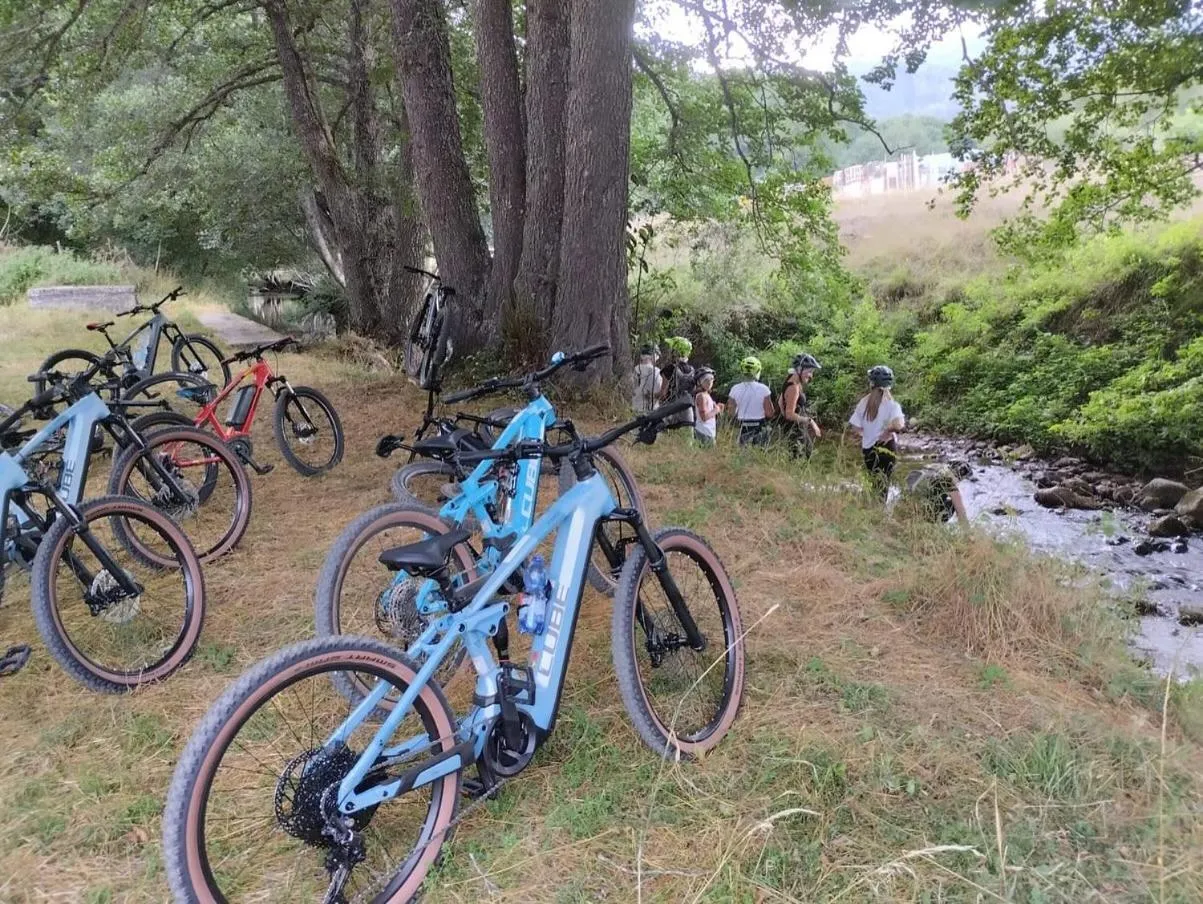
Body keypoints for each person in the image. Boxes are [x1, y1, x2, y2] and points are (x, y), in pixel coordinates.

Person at [848, 365, 905, 501]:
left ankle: (873, 513)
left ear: (871, 383)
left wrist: (867, 435)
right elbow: (899, 425)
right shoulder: (892, 404)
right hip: (887, 448)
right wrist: (887, 431)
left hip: (868, 450)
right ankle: (880, 515)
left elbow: (855, 428)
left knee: (874, 485)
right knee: (884, 486)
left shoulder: (863, 403)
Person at [777, 353, 823, 459]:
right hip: (796, 430)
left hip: (794, 428)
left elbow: (780, 401)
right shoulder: (794, 387)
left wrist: (786, 419)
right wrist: (811, 421)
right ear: (799, 369)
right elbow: (789, 414)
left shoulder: (791, 381)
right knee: (802, 458)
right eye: (810, 371)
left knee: (802, 455)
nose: (811, 376)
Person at [902, 460, 971, 525]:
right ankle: (927, 523)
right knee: (951, 504)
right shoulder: (949, 482)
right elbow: (961, 514)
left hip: (907, 499)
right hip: (922, 510)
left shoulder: (931, 468)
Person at [727, 356, 774, 446]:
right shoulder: (764, 389)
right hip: (759, 426)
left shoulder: (734, 389)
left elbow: (731, 413)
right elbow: (770, 413)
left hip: (741, 426)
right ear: (757, 371)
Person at [660, 336, 697, 428]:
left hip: (671, 408)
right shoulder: (693, 371)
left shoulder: (669, 369)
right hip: (687, 409)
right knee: (686, 438)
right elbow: (694, 391)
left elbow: (663, 393)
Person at [692, 367, 722, 446]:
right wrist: (716, 410)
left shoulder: (706, 395)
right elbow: (704, 417)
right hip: (704, 432)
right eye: (706, 380)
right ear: (699, 382)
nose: (709, 382)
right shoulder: (701, 396)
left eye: (711, 379)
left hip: (708, 431)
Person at [631, 344, 663, 415]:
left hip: (635, 408)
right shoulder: (656, 371)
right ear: (654, 355)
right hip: (651, 410)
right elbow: (660, 391)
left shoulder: (635, 370)